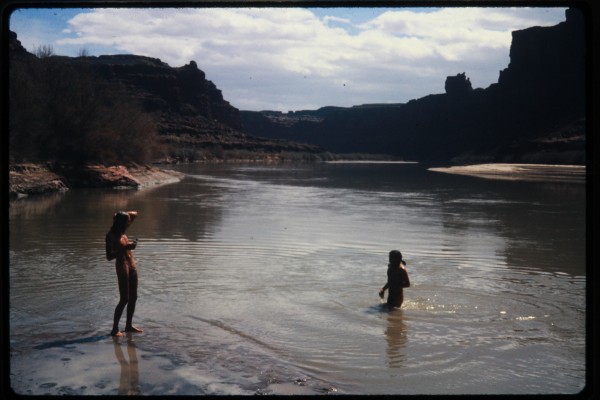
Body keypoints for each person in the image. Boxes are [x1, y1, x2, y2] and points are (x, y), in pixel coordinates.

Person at [106, 211, 143, 336]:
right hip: (122, 267)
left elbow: (135, 214)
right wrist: (125, 247)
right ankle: (115, 329)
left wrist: (119, 215)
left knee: (134, 297)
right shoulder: (110, 236)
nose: (129, 222)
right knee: (124, 299)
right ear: (121, 223)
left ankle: (128, 326)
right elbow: (109, 256)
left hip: (132, 265)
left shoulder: (123, 231)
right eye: (127, 221)